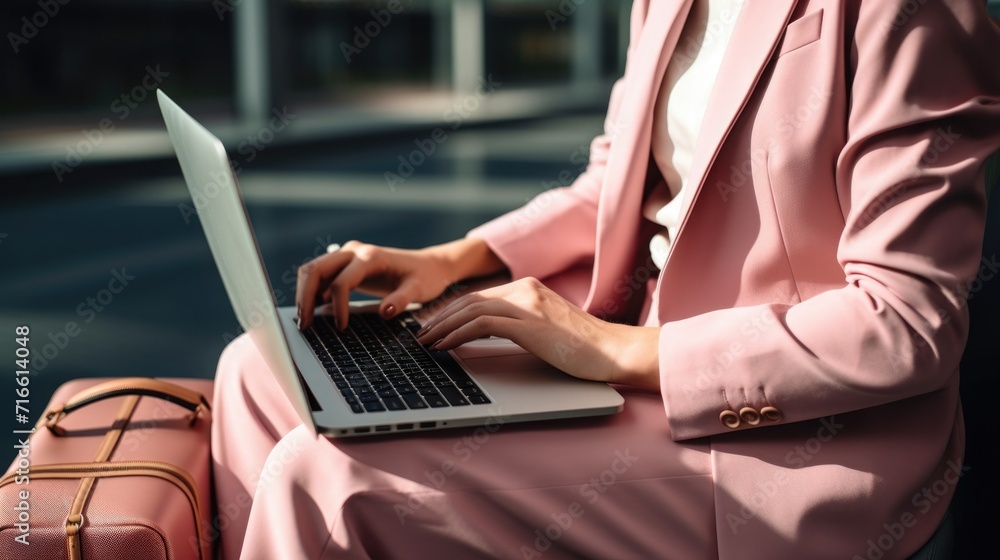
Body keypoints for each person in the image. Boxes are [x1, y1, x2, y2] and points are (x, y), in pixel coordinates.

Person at [211, 1, 1000, 558]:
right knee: (258, 369)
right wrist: (455, 259)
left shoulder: (910, 11)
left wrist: (613, 348)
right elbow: (613, 183)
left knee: (326, 480)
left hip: (785, 434)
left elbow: (905, 323)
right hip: (631, 357)